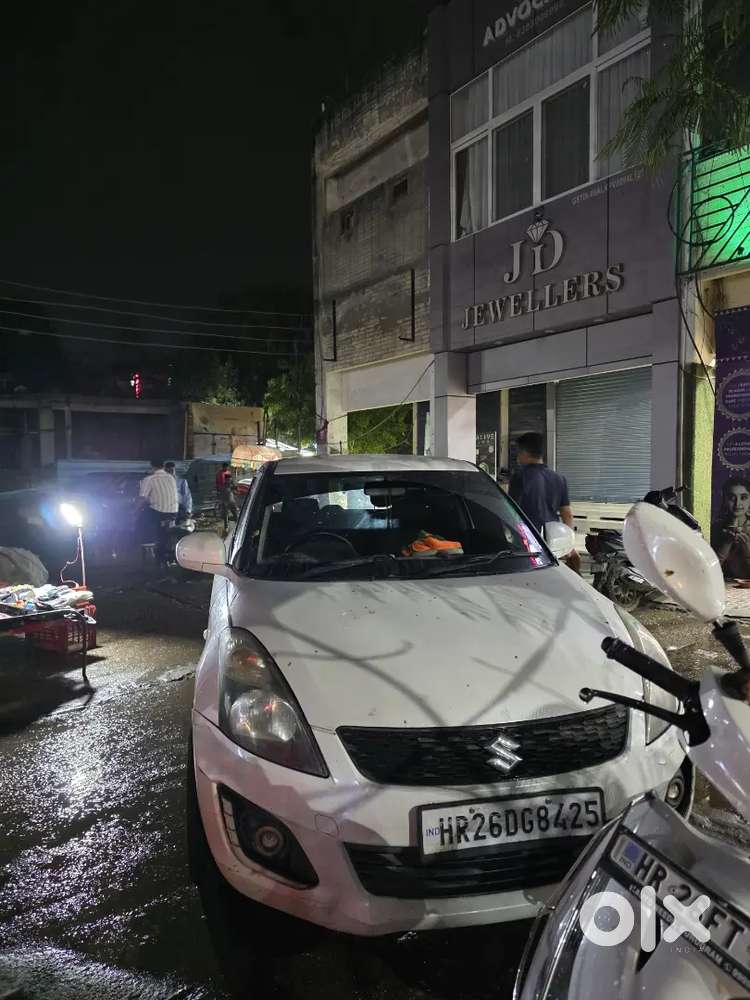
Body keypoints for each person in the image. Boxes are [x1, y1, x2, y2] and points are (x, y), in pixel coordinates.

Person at [508, 431, 580, 573]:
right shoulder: (559, 478)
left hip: (528, 543)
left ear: (523, 452)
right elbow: (567, 514)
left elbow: (511, 511)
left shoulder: (519, 477)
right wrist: (569, 545)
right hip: (554, 541)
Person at [139, 458, 179, 565]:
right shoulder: (171, 478)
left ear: (152, 467)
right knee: (164, 533)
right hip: (173, 512)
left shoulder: (150, 479)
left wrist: (135, 510)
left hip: (159, 513)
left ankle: (146, 541)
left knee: (141, 518)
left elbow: (142, 499)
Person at [712, 477, 750, 580]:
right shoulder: (716, 528)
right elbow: (709, 572)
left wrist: (748, 551)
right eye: (732, 498)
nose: (737, 504)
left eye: (744, 497)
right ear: (724, 500)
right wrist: (726, 544)